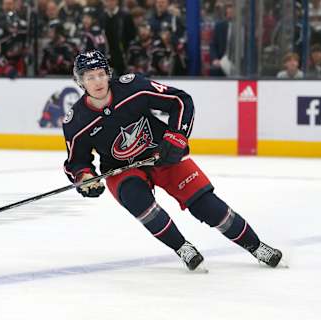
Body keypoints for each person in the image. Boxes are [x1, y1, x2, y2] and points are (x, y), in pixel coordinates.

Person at [62, 50, 283, 271]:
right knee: (138, 201)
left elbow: (180, 101)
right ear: (80, 81)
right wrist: (85, 177)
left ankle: (257, 246)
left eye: (101, 74)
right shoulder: (76, 121)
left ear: (108, 74)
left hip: (163, 155)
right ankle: (182, 248)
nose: (97, 81)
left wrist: (177, 136)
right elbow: (76, 161)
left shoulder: (133, 88)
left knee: (207, 206)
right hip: (122, 169)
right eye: (90, 77)